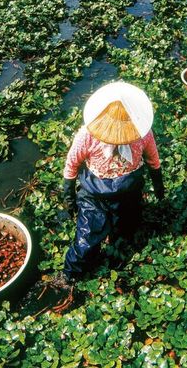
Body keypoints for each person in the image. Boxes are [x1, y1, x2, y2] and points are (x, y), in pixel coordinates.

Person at [54, 81, 165, 287]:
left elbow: (153, 160)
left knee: (125, 230)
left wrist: (158, 186)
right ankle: (68, 277)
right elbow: (71, 165)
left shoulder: (143, 133)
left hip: (128, 192)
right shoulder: (87, 135)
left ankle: (116, 242)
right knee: (86, 240)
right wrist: (69, 196)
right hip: (95, 194)